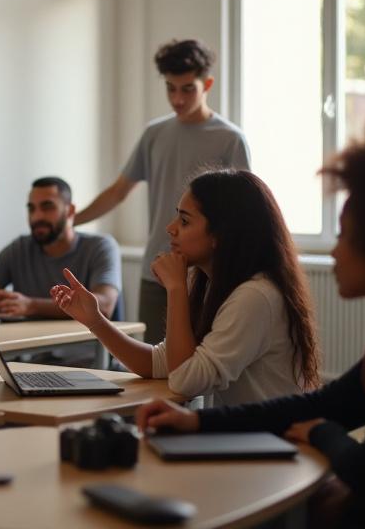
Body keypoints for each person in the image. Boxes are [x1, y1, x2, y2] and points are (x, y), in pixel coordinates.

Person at [135, 120, 365, 528]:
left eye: (344, 236)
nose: (334, 252)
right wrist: (197, 421)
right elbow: (321, 405)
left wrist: (322, 433)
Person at [52, 169, 320, 406]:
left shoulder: (254, 296)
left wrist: (176, 289)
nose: (170, 228)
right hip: (244, 436)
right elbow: (159, 363)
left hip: (271, 441)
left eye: (185, 221)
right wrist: (96, 321)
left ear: (221, 234)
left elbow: (185, 382)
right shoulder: (218, 286)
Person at [74, 39, 250, 344]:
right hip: (156, 270)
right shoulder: (154, 134)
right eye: (171, 88)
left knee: (200, 362)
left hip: (206, 275)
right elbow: (118, 192)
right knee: (152, 360)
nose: (177, 99)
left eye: (187, 89)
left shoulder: (229, 139)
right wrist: (71, 221)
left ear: (207, 84)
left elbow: (244, 212)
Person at [0, 177, 120, 320]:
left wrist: (31, 305)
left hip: (84, 336)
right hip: (31, 335)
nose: (37, 217)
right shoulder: (19, 249)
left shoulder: (100, 247)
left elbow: (104, 306)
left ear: (70, 211)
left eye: (47, 207)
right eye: (31, 209)